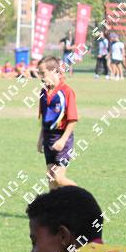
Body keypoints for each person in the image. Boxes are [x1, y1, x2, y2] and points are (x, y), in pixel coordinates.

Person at [37, 56, 77, 190]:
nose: (40, 77)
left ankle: (83, 197)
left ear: (54, 71)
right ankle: (57, 205)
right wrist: (40, 139)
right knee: (51, 180)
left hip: (63, 138)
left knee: (58, 178)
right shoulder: (43, 92)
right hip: (48, 138)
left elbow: (72, 119)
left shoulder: (67, 91)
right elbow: (44, 118)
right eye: (39, 73)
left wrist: (63, 140)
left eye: (43, 73)